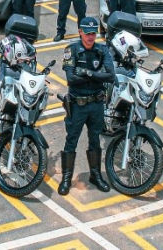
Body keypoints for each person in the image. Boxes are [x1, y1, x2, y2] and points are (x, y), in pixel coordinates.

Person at [57, 17, 115, 195]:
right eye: (87, 33)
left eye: (93, 33)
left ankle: (95, 175)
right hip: (78, 104)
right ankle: (66, 178)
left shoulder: (102, 50)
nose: (91, 37)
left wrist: (87, 73)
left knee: (95, 139)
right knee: (71, 140)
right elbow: (71, 78)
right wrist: (97, 75)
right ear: (80, 32)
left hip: (96, 103)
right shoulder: (72, 50)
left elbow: (111, 76)